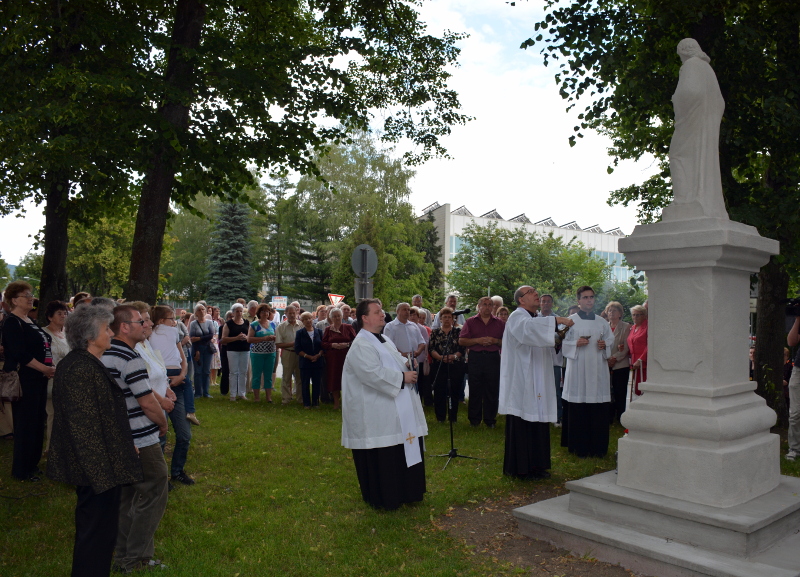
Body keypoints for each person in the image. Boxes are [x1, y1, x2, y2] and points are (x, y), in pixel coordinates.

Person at [46, 304, 142, 577]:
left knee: (102, 536)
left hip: (102, 468)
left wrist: (124, 445)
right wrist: (102, 477)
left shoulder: (87, 363)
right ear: (90, 337)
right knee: (94, 536)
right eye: (106, 329)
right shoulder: (79, 368)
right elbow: (83, 429)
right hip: (96, 472)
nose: (111, 333)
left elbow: (103, 418)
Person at [102, 305, 169, 573]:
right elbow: (147, 403)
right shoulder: (129, 358)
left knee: (127, 497)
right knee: (155, 490)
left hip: (121, 438)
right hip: (140, 437)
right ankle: (135, 558)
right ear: (124, 327)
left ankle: (125, 556)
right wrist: (162, 423)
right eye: (140, 321)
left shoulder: (106, 353)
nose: (145, 324)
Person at [341, 298, 426, 510]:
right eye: (377, 311)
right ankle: (384, 497)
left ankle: (406, 492)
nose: (382, 314)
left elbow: (396, 361)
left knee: (399, 449)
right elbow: (371, 374)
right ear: (364, 318)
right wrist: (401, 378)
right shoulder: (361, 344)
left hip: (393, 410)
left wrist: (408, 364)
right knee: (383, 455)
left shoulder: (383, 340)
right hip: (374, 413)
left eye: (381, 311)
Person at [499, 286, 573, 479]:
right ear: (521, 300)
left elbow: (545, 340)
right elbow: (529, 331)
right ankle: (521, 468)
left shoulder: (537, 317)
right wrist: (556, 320)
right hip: (523, 380)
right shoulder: (517, 316)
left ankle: (538, 465)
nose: (535, 293)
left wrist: (557, 337)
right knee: (524, 419)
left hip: (539, 376)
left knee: (538, 420)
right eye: (530, 291)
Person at [2, 281, 54, 482]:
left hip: (39, 379)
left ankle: (32, 464)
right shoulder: (11, 322)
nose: (31, 297)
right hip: (25, 380)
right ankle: (22, 470)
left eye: (31, 294)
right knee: (25, 424)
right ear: (14, 300)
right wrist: (44, 368)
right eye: (26, 295)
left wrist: (48, 368)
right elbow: (19, 353)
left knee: (37, 422)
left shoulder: (30, 320)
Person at [561, 286, 614, 458]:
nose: (589, 300)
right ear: (578, 300)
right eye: (585, 297)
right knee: (579, 408)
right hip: (578, 370)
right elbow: (561, 343)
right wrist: (575, 343)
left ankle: (598, 448)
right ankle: (579, 448)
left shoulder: (602, 322)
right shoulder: (570, 321)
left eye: (591, 297)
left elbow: (610, 340)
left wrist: (604, 345)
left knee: (597, 409)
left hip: (598, 370)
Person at [149, 305, 195, 486]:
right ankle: (161, 478)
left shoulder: (173, 333)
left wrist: (182, 375)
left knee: (184, 435)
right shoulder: (150, 336)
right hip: (161, 388)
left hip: (180, 386)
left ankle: (177, 471)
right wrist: (167, 381)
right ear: (160, 321)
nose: (174, 322)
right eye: (171, 319)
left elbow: (182, 358)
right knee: (161, 435)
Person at [459, 296, 504, 428]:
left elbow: (507, 342)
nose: (487, 307)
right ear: (479, 307)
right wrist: (477, 341)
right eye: (484, 304)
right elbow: (462, 341)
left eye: (490, 305)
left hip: (493, 358)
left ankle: (490, 420)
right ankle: (474, 420)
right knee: (475, 389)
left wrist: (495, 341)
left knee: (492, 389)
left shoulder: (500, 323)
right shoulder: (470, 322)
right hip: (476, 357)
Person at [42, 300, 71, 453]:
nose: (63, 316)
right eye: (59, 313)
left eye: (65, 313)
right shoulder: (43, 334)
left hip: (68, 380)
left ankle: (63, 449)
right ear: (50, 317)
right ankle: (51, 450)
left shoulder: (66, 334)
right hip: (51, 380)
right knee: (53, 414)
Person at [428, 307, 465, 423]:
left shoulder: (458, 332)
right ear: (440, 319)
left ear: (453, 318)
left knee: (454, 391)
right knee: (439, 392)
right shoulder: (435, 332)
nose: (447, 319)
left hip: (455, 365)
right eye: (445, 317)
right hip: (439, 365)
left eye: (450, 317)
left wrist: (453, 356)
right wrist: (439, 357)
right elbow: (431, 348)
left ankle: (453, 417)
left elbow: (462, 348)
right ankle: (440, 417)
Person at [321, 308, 356, 410]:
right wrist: (333, 345)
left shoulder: (348, 327)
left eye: (338, 316)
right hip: (333, 359)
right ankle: (336, 403)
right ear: (331, 318)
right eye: (334, 316)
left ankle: (347, 403)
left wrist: (347, 344)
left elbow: (356, 340)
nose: (337, 318)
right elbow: (323, 343)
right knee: (334, 380)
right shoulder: (328, 329)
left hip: (346, 358)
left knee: (347, 379)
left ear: (342, 317)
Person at [538, 294, 564, 426]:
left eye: (548, 301)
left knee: (555, 390)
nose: (546, 304)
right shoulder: (534, 318)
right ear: (540, 303)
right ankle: (539, 415)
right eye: (543, 301)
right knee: (539, 389)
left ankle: (557, 417)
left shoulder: (558, 320)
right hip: (538, 360)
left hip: (554, 360)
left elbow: (559, 338)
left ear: (552, 304)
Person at [605, 301, 631, 424]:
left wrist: (613, 358)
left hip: (620, 364)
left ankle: (621, 417)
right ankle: (609, 416)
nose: (611, 313)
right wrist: (606, 358)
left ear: (620, 313)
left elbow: (625, 347)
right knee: (607, 391)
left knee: (620, 391)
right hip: (605, 363)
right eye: (609, 310)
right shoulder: (604, 326)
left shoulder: (626, 327)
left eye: (614, 310)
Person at [247, 303, 277, 402]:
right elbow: (249, 339)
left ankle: (269, 397)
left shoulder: (272, 324)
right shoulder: (254, 325)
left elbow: (277, 337)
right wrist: (264, 338)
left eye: (267, 311)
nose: (265, 313)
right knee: (257, 375)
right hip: (257, 354)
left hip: (270, 353)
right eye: (263, 311)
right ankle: (257, 397)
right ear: (259, 313)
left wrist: (274, 338)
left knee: (268, 376)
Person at [221, 303, 250, 401]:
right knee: (233, 372)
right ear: (233, 312)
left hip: (245, 350)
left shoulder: (246, 322)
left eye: (241, 311)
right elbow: (223, 339)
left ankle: (242, 393)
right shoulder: (228, 324)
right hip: (232, 350)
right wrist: (236, 338)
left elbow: (250, 336)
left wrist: (246, 337)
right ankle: (233, 394)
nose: (239, 313)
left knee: (243, 372)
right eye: (237, 311)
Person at [295, 311, 324, 408]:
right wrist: (308, 356)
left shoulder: (319, 332)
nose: (308, 321)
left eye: (310, 318)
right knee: (305, 383)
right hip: (305, 362)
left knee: (316, 383)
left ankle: (316, 402)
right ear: (302, 321)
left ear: (312, 319)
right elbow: (298, 349)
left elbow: (323, 347)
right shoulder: (300, 333)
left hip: (318, 362)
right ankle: (307, 403)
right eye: (305, 319)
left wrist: (318, 355)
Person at [276, 305, 303, 404]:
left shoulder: (301, 325)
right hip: (288, 353)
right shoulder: (281, 327)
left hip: (300, 354)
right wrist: (292, 344)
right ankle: (286, 398)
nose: (292, 315)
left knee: (300, 377)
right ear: (285, 314)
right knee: (286, 377)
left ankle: (300, 399)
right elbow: (278, 344)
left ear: (296, 313)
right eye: (290, 313)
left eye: (293, 313)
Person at [189, 304, 216, 398]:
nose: (201, 311)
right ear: (196, 312)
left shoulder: (209, 322)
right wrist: (196, 350)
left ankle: (206, 392)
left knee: (206, 371)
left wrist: (199, 338)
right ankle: (198, 392)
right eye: (199, 310)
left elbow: (211, 335)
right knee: (198, 371)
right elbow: (192, 338)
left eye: (203, 309)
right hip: (197, 349)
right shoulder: (193, 324)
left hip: (207, 349)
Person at [786, 317, 800, 461]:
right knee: (795, 413)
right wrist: (798, 318)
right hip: (799, 370)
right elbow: (791, 341)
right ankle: (794, 448)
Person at [627, 304, 648, 397]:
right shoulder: (633, 328)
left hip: (644, 364)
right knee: (636, 389)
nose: (635, 317)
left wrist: (641, 360)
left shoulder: (648, 327)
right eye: (633, 315)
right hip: (634, 363)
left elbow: (650, 345)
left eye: (638, 315)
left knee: (643, 390)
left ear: (644, 315)